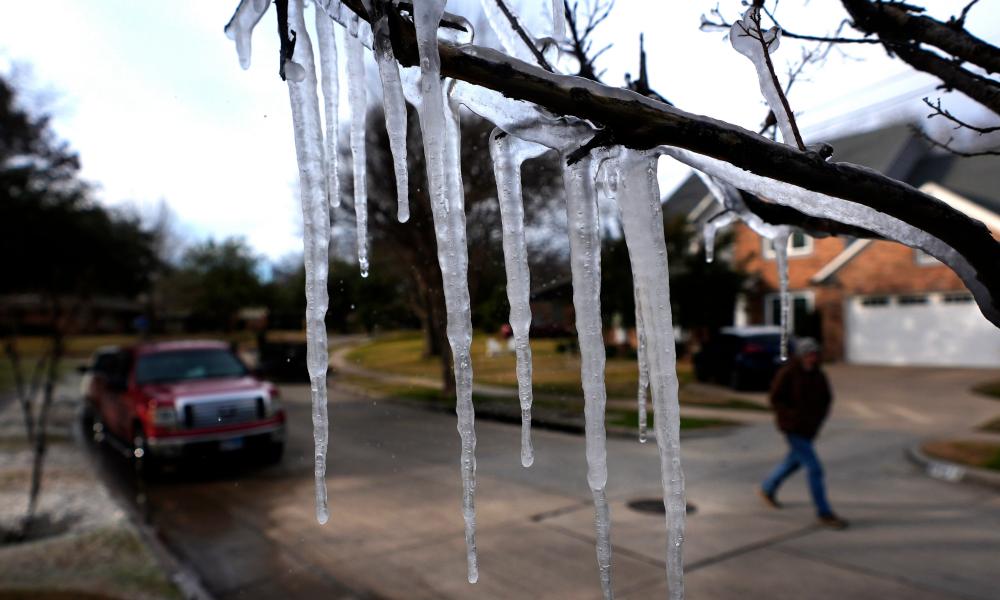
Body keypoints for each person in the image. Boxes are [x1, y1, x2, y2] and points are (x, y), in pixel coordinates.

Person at [759, 338, 848, 529]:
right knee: (815, 468)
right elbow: (775, 398)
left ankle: (767, 488)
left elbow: (826, 400)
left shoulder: (819, 376)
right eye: (809, 354)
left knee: (793, 462)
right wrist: (791, 416)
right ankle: (824, 512)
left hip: (810, 430)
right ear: (801, 356)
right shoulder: (788, 373)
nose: (813, 357)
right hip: (793, 428)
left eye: (815, 354)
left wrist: (818, 420)